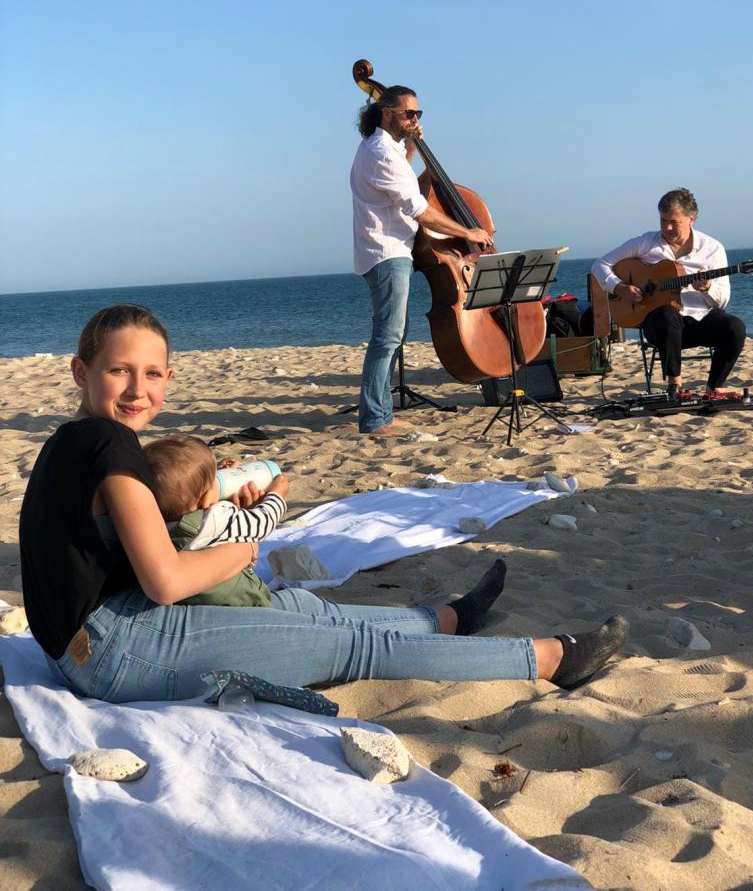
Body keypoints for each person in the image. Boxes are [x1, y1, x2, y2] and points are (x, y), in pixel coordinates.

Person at [19, 303, 627, 704]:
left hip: (92, 639)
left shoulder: (74, 440)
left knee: (309, 611)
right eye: (120, 371)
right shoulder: (111, 445)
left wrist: (218, 493)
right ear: (80, 371)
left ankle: (446, 619)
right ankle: (549, 659)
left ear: (170, 378)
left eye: (151, 373)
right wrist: (243, 546)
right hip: (111, 652)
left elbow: (126, 536)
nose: (138, 388)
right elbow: (166, 581)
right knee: (351, 646)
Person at [350, 86, 495, 435]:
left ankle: (382, 413)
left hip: (394, 248)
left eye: (418, 114)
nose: (414, 119)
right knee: (387, 336)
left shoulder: (389, 149)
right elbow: (418, 209)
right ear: (386, 113)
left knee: (393, 335)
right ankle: (373, 419)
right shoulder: (380, 152)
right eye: (408, 114)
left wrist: (416, 144)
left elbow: (409, 178)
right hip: (386, 251)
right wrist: (468, 232)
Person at [592, 188, 746, 396]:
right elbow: (600, 265)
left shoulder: (712, 248)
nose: (668, 227)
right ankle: (676, 386)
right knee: (666, 313)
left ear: (692, 219)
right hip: (660, 327)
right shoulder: (646, 243)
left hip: (699, 321)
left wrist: (708, 287)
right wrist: (619, 287)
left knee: (735, 327)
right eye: (663, 221)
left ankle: (713, 388)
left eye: (674, 222)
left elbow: (722, 301)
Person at [142, 434, 288, 607]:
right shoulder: (217, 519)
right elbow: (261, 523)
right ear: (204, 499)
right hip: (244, 602)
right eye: (214, 480)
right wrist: (276, 495)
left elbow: (190, 499)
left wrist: (206, 477)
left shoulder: (154, 523)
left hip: (196, 603)